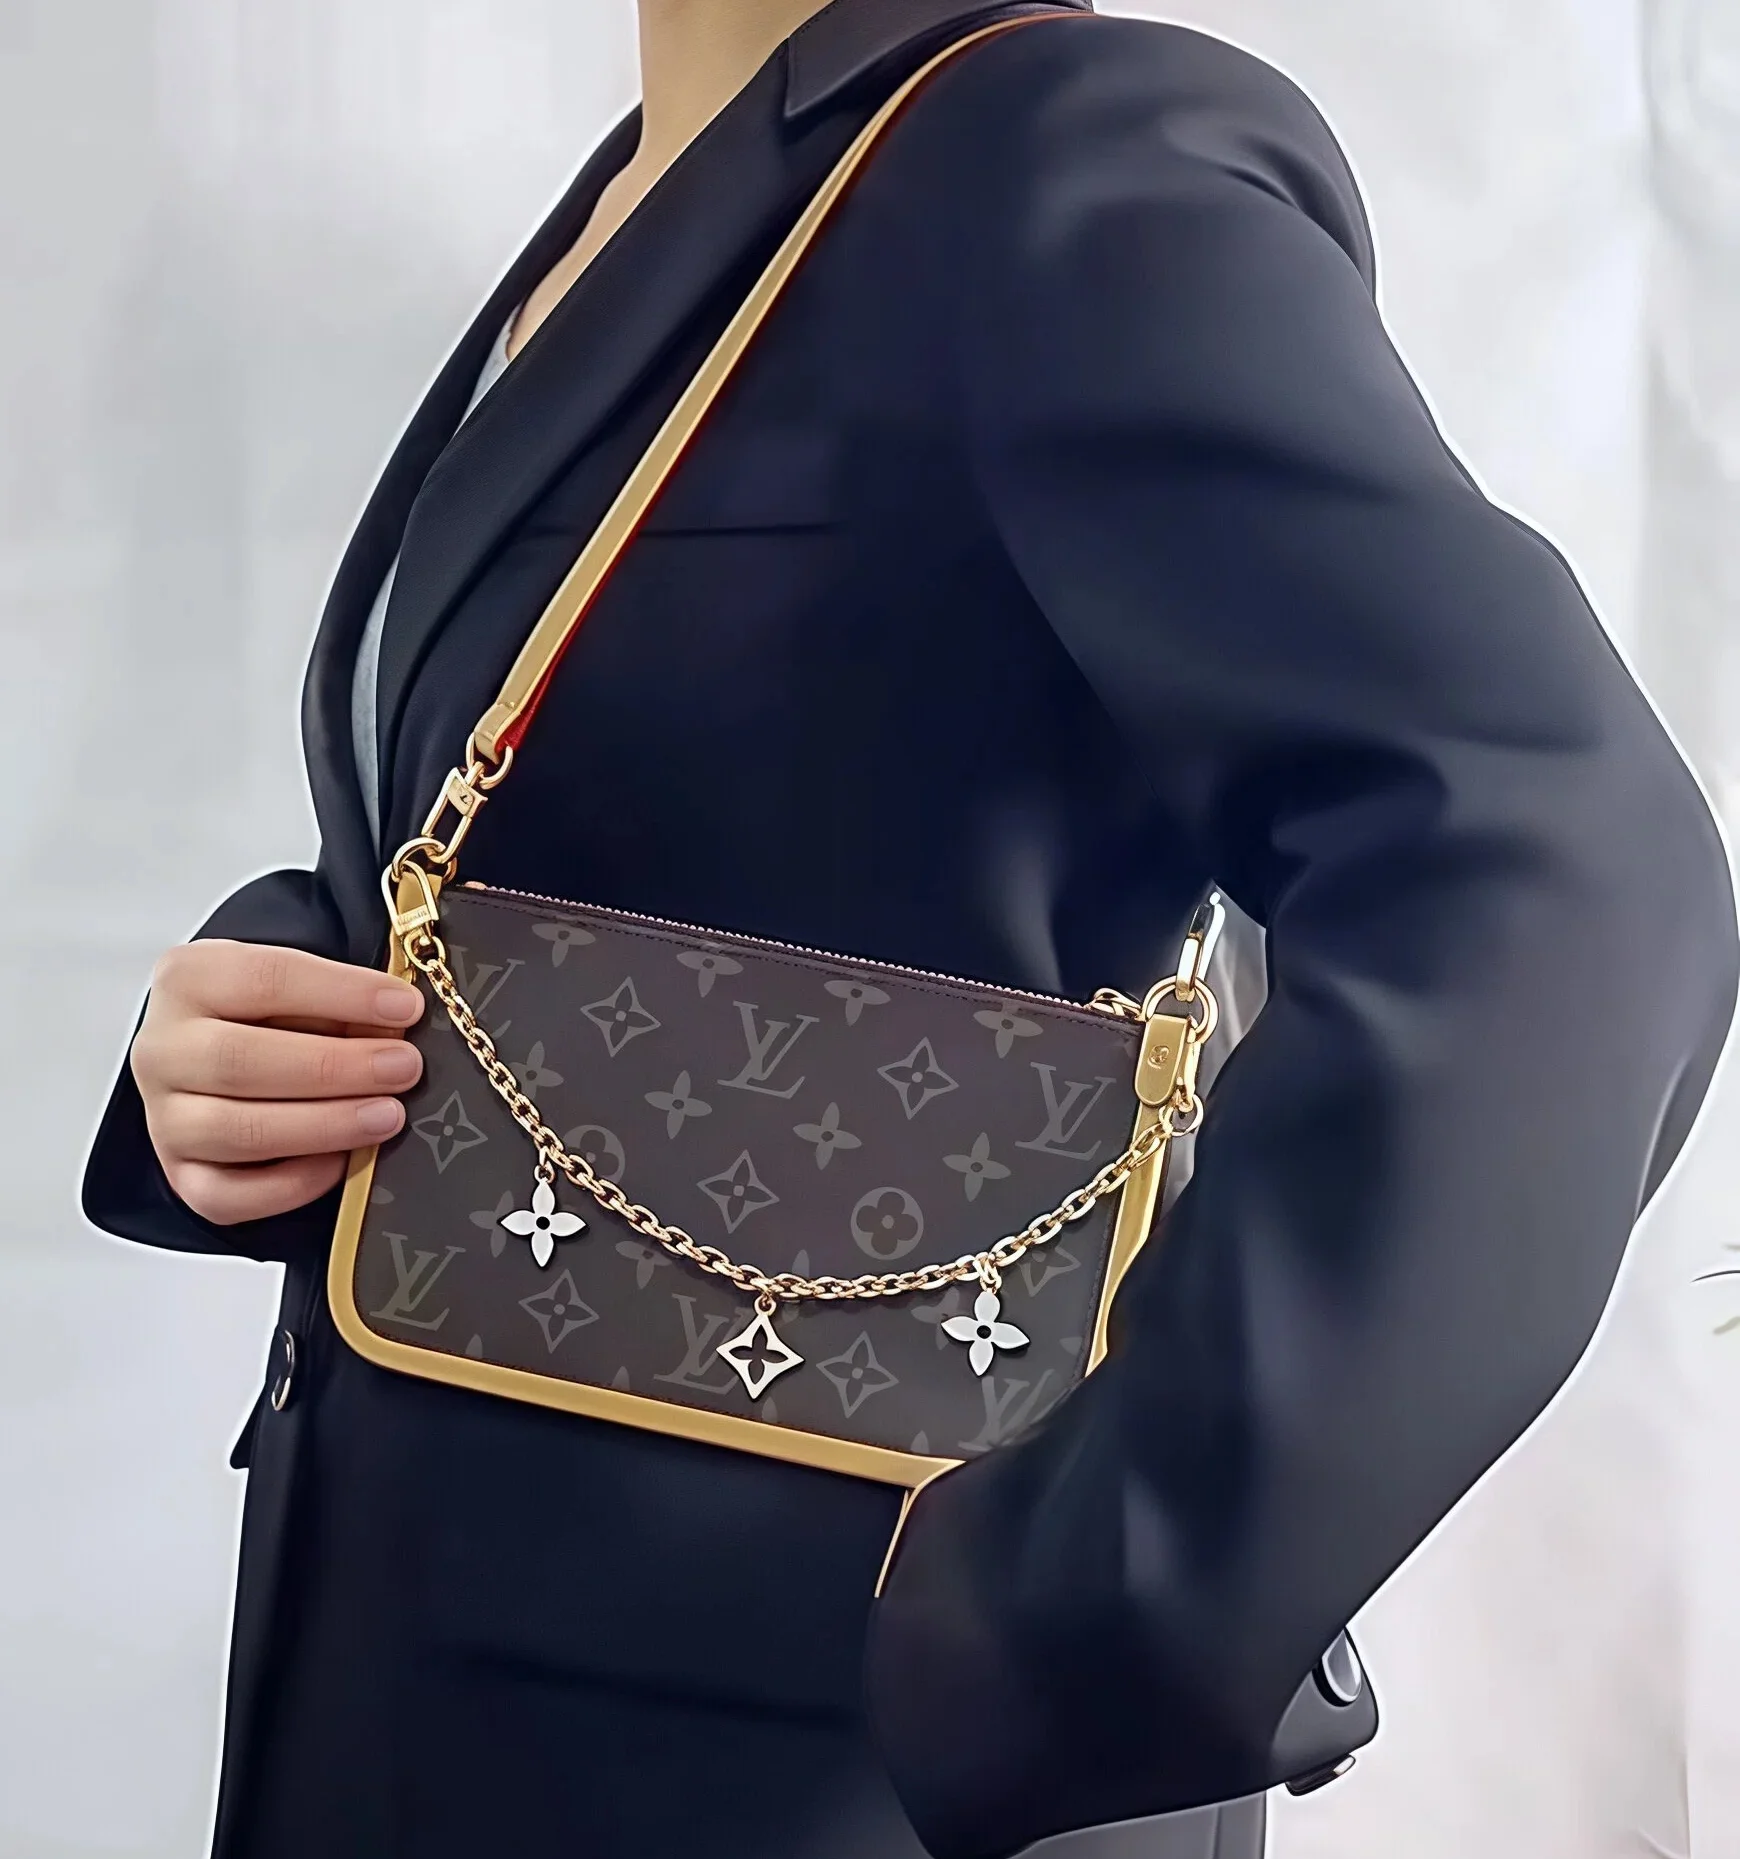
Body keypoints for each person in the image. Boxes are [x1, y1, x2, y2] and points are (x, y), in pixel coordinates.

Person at [83, 1, 1739, 1855]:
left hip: (790, 1766)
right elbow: (649, 812)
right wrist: (257, 1019)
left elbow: (1560, 869)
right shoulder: (639, 208)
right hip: (413, 1682)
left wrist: (1105, 1619)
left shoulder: (1063, 160)